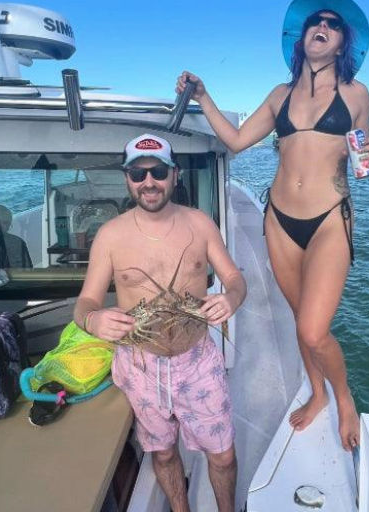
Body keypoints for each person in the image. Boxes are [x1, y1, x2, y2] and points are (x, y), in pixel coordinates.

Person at [176, 0, 369, 451]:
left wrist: (365, 156)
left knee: (313, 327)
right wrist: (204, 96)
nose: (320, 27)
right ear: (301, 38)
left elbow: (363, 155)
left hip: (329, 218)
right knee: (296, 316)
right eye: (314, 23)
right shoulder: (278, 95)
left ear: (343, 44)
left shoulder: (356, 93)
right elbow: (237, 140)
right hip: (280, 219)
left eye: (332, 24)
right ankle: (317, 391)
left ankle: (342, 397)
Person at [73, 134, 246, 512]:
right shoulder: (110, 235)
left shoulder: (200, 225)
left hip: (197, 361)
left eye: (158, 172)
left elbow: (235, 280)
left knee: (223, 456)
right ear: (127, 179)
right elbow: (85, 302)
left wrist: (230, 299)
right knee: (163, 454)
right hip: (140, 365)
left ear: (174, 175)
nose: (148, 181)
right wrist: (93, 318)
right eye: (138, 173)